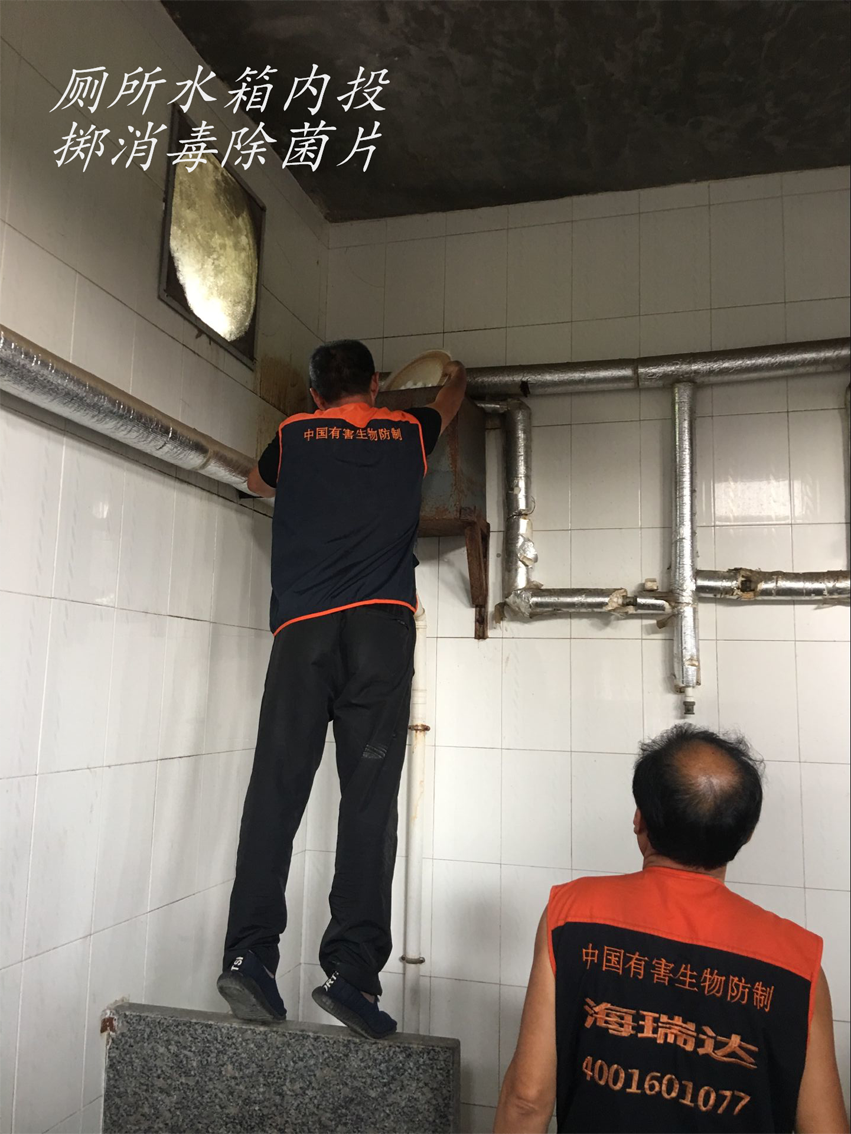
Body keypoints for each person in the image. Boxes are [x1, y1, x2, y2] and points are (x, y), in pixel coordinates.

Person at [217, 340, 467, 1039]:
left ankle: (249, 957)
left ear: (314, 393)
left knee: (276, 789)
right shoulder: (408, 431)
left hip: (304, 634)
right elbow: (449, 402)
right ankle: (352, 975)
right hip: (381, 636)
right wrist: (453, 374)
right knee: (368, 800)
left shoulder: (295, 435)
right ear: (376, 385)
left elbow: (257, 482)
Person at [495, 725, 849, 1134]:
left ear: (640, 819)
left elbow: (527, 1100)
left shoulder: (571, 914)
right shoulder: (797, 964)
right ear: (745, 834)